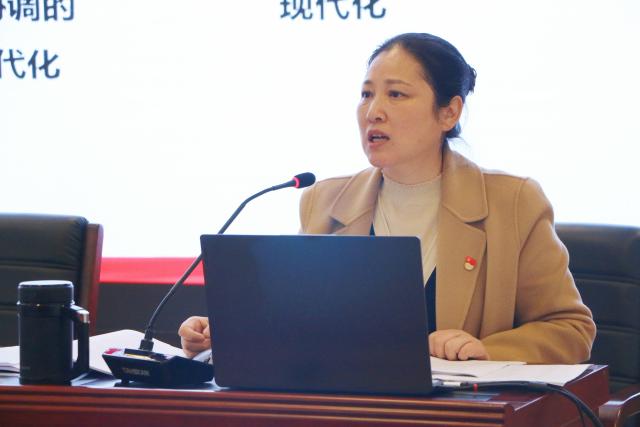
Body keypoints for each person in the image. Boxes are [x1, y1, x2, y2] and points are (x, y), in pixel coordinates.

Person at [180, 33, 596, 364]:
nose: (373, 112)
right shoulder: (325, 202)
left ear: (449, 112)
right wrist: (226, 332)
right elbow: (301, 325)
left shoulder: (512, 202)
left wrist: (487, 350)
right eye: (366, 94)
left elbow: (570, 329)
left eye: (396, 94)